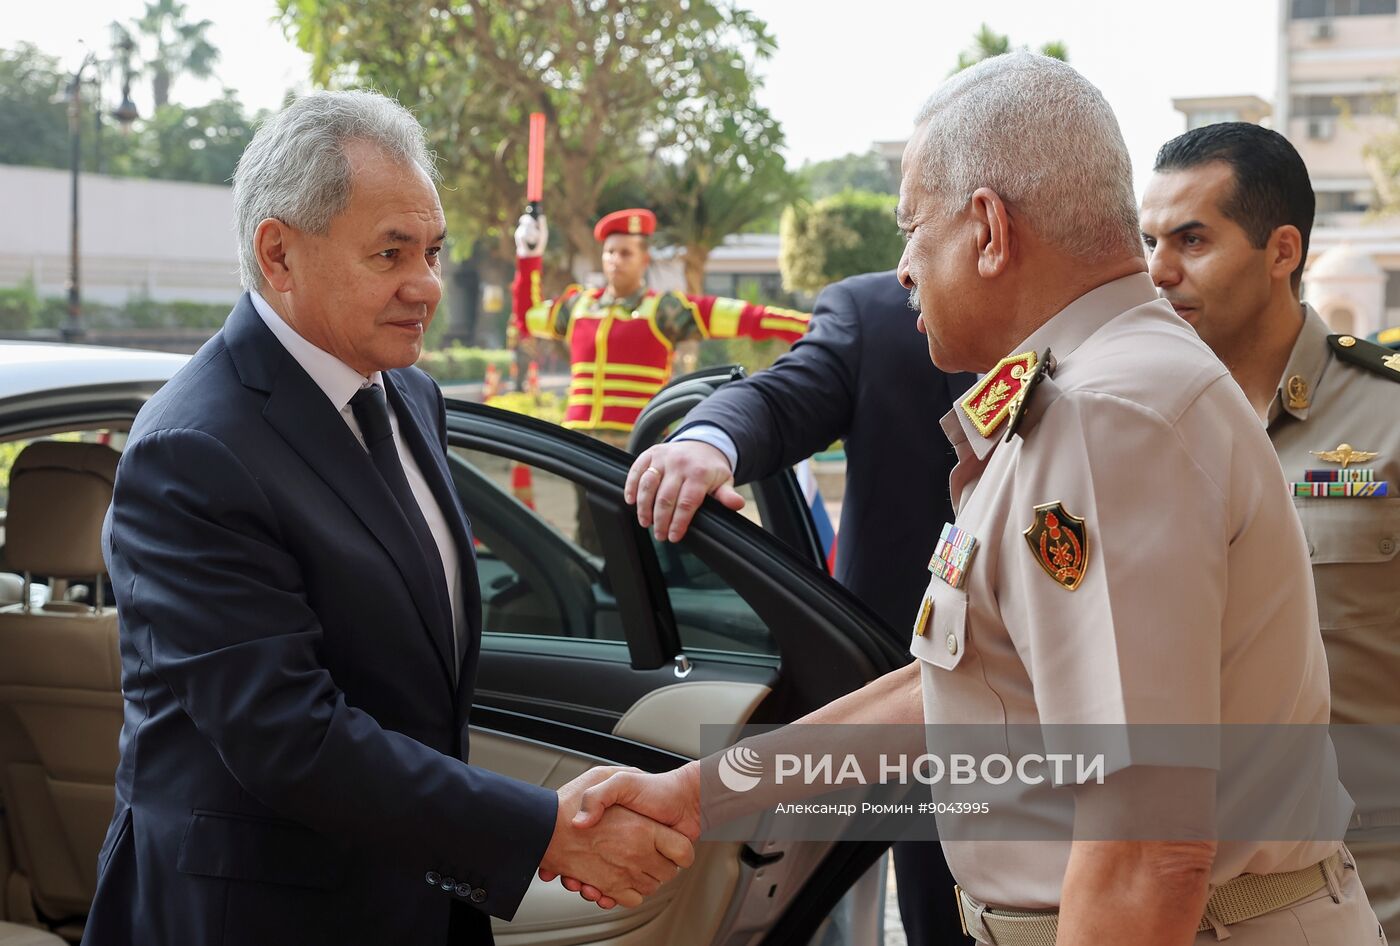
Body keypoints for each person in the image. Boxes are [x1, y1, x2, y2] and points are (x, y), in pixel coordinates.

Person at [558, 53, 1383, 944]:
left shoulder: (1109, 416)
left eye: (914, 227)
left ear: (989, 228)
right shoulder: (1081, 390)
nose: (903, 265)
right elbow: (958, 689)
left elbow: (1145, 849)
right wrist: (697, 796)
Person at [83, 90, 691, 946]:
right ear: (279, 252)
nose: (428, 285)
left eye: (434, 250)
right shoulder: (193, 449)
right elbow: (287, 737)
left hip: (419, 897)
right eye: (391, 253)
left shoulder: (408, 394)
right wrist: (544, 830)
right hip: (259, 917)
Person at [625, 269, 975, 942]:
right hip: (914, 714)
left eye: (917, 221)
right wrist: (706, 443)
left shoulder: (1140, 335)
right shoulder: (879, 312)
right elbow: (780, 397)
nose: (908, 262)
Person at [1142, 121, 1400, 942]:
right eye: (1148, 240)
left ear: (1281, 250)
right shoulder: (1139, 426)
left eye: (1191, 239)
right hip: (1182, 893)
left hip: (1368, 892)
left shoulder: (1389, 417)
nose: (1158, 271)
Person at [510, 208, 811, 444]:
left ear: (645, 259)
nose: (615, 260)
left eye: (626, 253)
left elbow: (749, 317)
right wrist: (529, 256)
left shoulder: (664, 310)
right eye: (610, 252)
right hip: (579, 443)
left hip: (640, 442)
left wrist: (813, 325)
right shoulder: (579, 306)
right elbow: (527, 320)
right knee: (585, 525)